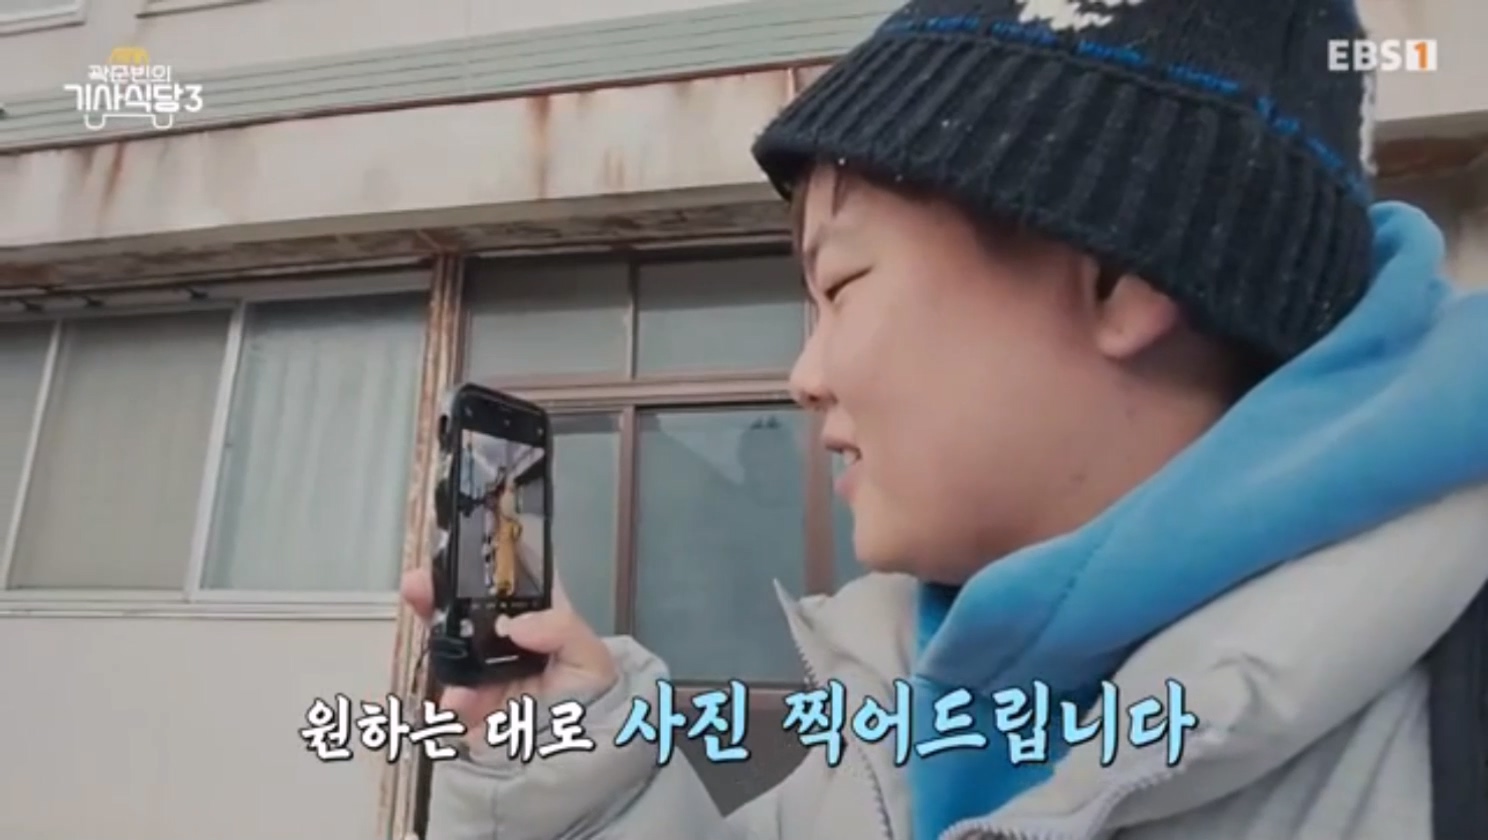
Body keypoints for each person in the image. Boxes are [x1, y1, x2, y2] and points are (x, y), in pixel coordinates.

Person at [404, 0, 1488, 838]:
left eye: (842, 286)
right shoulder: (915, 702)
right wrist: (567, 770)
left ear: (1120, 275)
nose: (804, 377)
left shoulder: (1448, 731)